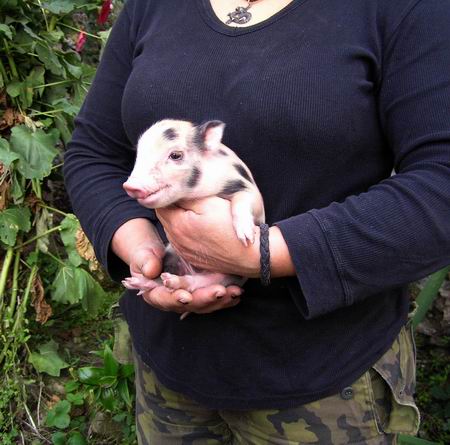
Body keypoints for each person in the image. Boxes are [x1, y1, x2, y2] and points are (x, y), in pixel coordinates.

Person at [64, 0, 450, 443]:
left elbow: (441, 184)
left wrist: (263, 253)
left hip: (323, 380)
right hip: (169, 362)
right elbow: (94, 152)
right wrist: (145, 251)